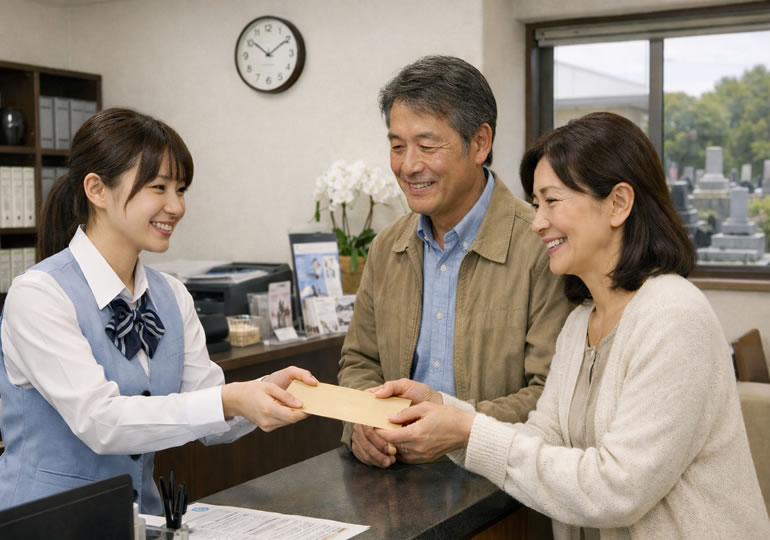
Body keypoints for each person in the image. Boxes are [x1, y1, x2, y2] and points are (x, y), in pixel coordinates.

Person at [373, 112, 770, 537]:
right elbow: (544, 437)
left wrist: (467, 431)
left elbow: (616, 489)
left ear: (618, 203)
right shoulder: (581, 322)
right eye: (536, 204)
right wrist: (444, 409)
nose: (538, 222)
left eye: (552, 201)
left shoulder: (673, 317)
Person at [0, 108, 317, 514]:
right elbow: (102, 422)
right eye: (158, 187)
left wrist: (264, 393)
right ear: (97, 190)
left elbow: (208, 415)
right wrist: (229, 399)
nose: (176, 206)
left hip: (138, 521)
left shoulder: (172, 296)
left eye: (181, 189)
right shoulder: (39, 295)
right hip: (42, 522)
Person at [337, 55, 573, 468]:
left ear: (480, 143)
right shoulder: (386, 247)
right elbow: (360, 361)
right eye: (397, 147)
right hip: (395, 480)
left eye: (427, 146)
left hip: (500, 487)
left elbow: (551, 393)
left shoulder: (541, 243)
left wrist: (459, 429)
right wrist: (361, 423)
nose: (409, 166)